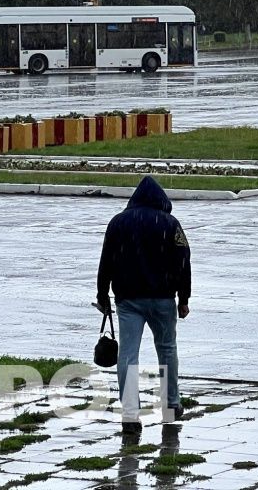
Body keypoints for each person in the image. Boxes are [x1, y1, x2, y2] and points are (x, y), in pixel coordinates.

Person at [96, 176, 191, 434]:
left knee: (128, 355)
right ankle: (171, 405)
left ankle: (129, 415)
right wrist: (184, 298)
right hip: (163, 299)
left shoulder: (118, 223)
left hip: (128, 300)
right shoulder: (171, 224)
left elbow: (106, 261)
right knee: (167, 350)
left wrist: (102, 295)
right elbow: (184, 260)